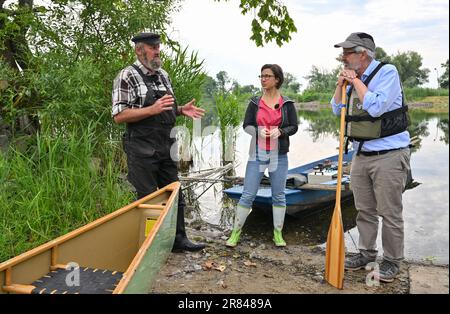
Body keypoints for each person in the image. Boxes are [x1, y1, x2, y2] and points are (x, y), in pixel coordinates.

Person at [112, 32, 206, 252]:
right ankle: (148, 247)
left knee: (175, 194)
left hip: (166, 145)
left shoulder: (163, 75)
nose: (157, 51)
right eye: (153, 47)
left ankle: (179, 240)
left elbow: (165, 108)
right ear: (139, 50)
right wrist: (151, 109)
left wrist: (181, 109)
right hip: (141, 149)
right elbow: (118, 116)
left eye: (158, 47)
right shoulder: (126, 76)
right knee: (147, 201)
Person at [331, 32, 411, 282]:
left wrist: (355, 82)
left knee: (389, 212)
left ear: (362, 54)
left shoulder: (388, 73)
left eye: (347, 53)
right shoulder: (351, 78)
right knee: (364, 209)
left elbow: (376, 106)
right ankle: (366, 253)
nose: (343, 57)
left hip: (389, 154)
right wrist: (340, 85)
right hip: (362, 153)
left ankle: (392, 261)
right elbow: (336, 109)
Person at [226, 64, 298, 248]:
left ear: (277, 79)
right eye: (261, 76)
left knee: (279, 195)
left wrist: (281, 132)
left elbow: (294, 127)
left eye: (267, 76)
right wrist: (258, 131)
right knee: (248, 194)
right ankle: (235, 234)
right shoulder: (254, 102)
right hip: (257, 154)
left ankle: (278, 234)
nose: (263, 79)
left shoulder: (287, 103)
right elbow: (246, 125)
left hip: (279, 155)